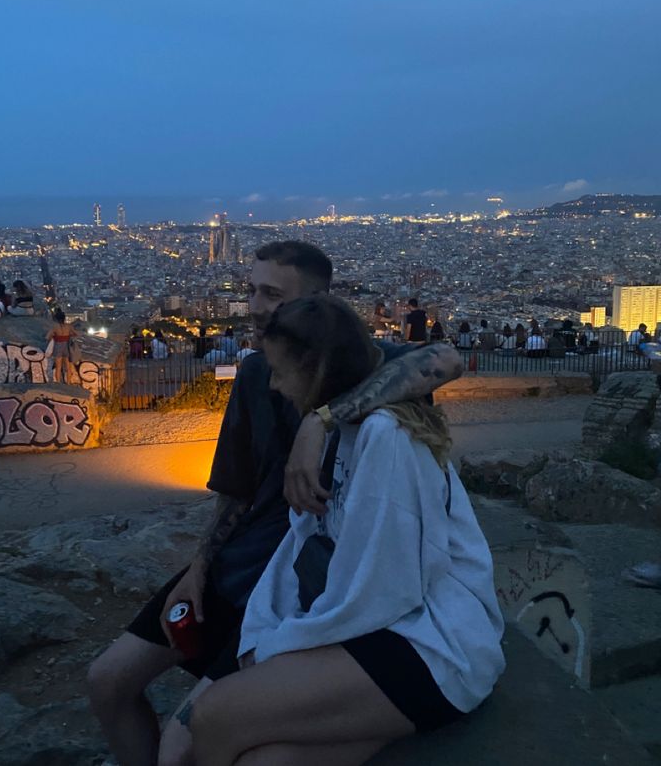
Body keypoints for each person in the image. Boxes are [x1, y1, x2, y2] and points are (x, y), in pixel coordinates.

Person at [88, 241, 463, 766]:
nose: (257, 306)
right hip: (243, 568)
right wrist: (199, 565)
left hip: (300, 584)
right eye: (252, 291)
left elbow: (445, 359)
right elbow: (238, 488)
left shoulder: (364, 368)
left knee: (188, 743)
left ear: (319, 303)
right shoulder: (253, 373)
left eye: (272, 293)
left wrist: (322, 418)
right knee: (107, 681)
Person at [187, 295, 505, 765]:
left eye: (280, 370)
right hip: (373, 627)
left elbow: (383, 588)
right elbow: (303, 547)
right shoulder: (334, 429)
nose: (273, 386)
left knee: (212, 716)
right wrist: (262, 634)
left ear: (316, 369)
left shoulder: (384, 437)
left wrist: (276, 646)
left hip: (431, 643)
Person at [46, 308, 78, 384]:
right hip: (66, 346)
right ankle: (69, 383)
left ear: (56, 319)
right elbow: (75, 334)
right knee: (68, 367)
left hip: (58, 347)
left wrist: (53, 337)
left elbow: (47, 337)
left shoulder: (55, 327)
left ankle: (58, 383)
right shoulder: (69, 326)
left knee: (58, 367)